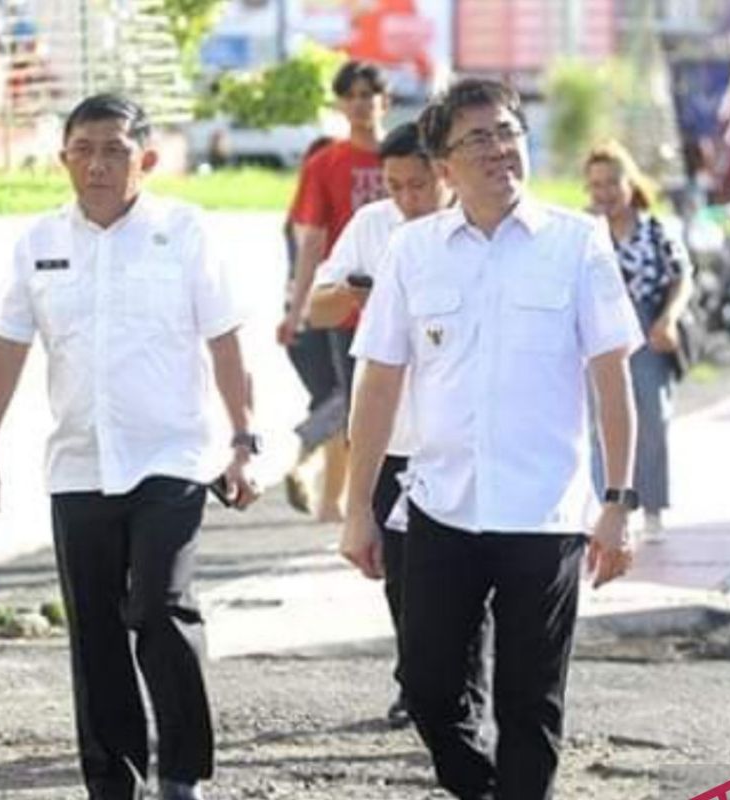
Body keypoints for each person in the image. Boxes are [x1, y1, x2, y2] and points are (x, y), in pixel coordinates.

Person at [340, 78, 642, 800]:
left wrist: (619, 502)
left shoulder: (577, 244)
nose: (498, 148)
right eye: (476, 138)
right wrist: (358, 507)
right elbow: (378, 385)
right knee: (429, 688)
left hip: (545, 514)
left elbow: (611, 378)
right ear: (444, 165)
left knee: (530, 702)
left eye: (508, 132)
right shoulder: (413, 252)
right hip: (443, 506)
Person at [0, 94, 260, 800]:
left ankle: (181, 772)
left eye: (115, 150)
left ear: (145, 160)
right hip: (79, 464)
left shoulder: (185, 232)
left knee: (160, 608)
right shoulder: (38, 242)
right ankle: (112, 783)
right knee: (94, 636)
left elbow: (225, 340)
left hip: (174, 459)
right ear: (63, 156)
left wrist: (244, 440)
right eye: (83, 149)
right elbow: (6, 347)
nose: (97, 164)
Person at [306, 121, 456, 728]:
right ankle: (417, 681)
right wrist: (352, 293)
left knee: (471, 577)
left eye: (418, 185)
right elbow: (316, 308)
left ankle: (464, 687)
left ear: (445, 174)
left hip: (455, 438)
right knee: (402, 576)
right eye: (394, 187)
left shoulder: (469, 232)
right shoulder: (373, 226)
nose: (406, 199)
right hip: (392, 435)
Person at [278, 60, 390, 522]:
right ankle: (340, 500)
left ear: (385, 100)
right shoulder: (326, 164)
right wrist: (298, 307)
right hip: (347, 310)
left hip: (411, 304)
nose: (362, 103)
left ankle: (335, 495)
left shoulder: (410, 157)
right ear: (342, 104)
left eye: (370, 94)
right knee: (354, 403)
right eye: (353, 95)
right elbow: (311, 241)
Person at [584, 140, 694, 539]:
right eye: (596, 185)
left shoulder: (656, 228)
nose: (605, 192)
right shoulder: (584, 232)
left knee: (652, 419)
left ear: (629, 183)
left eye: (612, 182)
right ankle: (607, 505)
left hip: (648, 326)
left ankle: (652, 507)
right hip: (598, 331)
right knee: (600, 421)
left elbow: (682, 275)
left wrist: (668, 319)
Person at [280, 134, 338, 514]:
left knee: (331, 401)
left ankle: (324, 490)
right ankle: (306, 464)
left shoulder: (293, 218)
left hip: (297, 318)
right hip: (320, 314)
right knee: (346, 399)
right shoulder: (325, 218)